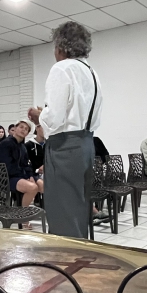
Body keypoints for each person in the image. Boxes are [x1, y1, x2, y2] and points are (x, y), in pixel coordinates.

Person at [28, 21, 102, 239]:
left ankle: (64, 257)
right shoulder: (91, 72)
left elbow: (54, 119)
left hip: (65, 146)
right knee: (78, 206)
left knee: (62, 209)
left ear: (61, 46)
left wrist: (38, 116)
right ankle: (79, 252)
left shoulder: (62, 68)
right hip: (86, 144)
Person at [0, 121, 44, 227]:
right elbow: (7, 167)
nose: (23, 130)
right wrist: (25, 177)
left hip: (20, 175)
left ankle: (47, 212)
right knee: (32, 188)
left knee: (42, 186)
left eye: (26, 129)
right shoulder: (5, 144)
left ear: (28, 133)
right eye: (21, 127)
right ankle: (23, 216)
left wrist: (30, 176)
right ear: (15, 128)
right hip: (6, 177)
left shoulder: (22, 146)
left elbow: (27, 165)